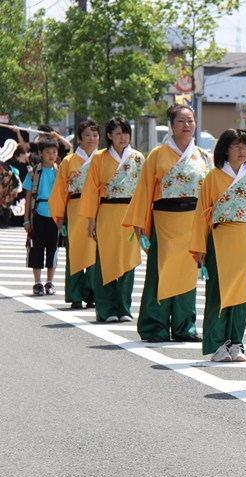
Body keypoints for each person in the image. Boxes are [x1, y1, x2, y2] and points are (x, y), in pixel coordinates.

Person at [123, 104, 212, 342]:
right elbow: (144, 190)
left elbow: (211, 192)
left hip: (193, 220)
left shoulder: (203, 156)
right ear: (171, 126)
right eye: (181, 121)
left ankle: (185, 326)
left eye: (190, 120)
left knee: (187, 273)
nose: (186, 125)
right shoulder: (157, 154)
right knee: (160, 272)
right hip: (165, 219)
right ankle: (155, 326)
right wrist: (140, 224)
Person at [190, 129, 246, 362]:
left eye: (245, 146)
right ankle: (218, 344)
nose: (242, 151)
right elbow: (202, 214)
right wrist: (200, 246)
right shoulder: (213, 177)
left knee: (243, 293)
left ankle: (236, 343)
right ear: (225, 150)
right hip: (221, 238)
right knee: (218, 292)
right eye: (236, 146)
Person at [80, 117, 144, 323]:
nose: (123, 137)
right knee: (105, 260)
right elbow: (91, 190)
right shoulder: (99, 158)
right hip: (107, 212)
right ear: (109, 135)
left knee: (128, 261)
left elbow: (144, 192)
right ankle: (106, 309)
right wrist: (91, 220)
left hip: (130, 213)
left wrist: (142, 219)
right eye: (117, 133)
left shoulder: (138, 158)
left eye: (126, 133)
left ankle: (124, 308)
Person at [49, 119, 100, 309]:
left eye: (95, 135)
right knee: (75, 251)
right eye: (87, 135)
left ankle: (93, 294)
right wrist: (60, 217)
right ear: (79, 138)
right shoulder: (68, 161)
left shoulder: (102, 158)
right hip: (75, 208)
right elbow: (60, 191)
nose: (91, 139)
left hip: (97, 209)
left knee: (95, 252)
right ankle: (75, 294)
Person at [22, 139, 60, 296]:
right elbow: (28, 197)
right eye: (48, 152)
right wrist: (26, 219)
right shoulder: (34, 173)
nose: (51, 155)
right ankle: (37, 283)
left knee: (53, 249)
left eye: (54, 152)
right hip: (38, 214)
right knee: (36, 249)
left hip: (56, 216)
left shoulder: (60, 172)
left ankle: (49, 282)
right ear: (40, 154)